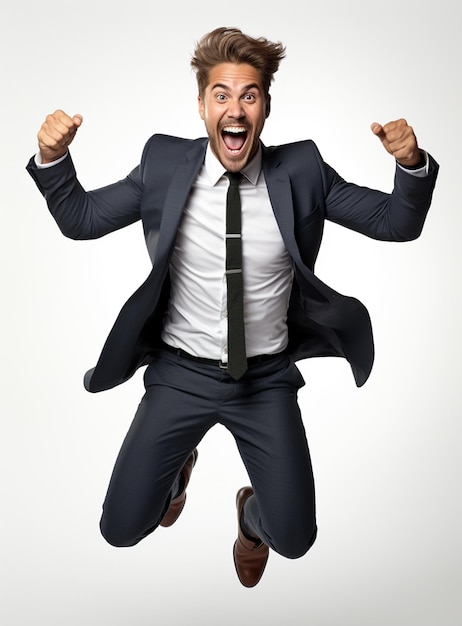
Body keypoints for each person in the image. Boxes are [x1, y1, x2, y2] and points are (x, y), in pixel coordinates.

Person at [26, 27, 439, 588]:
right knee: (120, 529)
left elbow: (397, 223)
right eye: (221, 94)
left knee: (294, 538)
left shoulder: (303, 170)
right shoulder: (164, 163)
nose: (235, 108)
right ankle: (175, 477)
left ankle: (250, 516)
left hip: (264, 380)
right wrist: (53, 160)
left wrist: (410, 163)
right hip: (179, 375)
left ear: (265, 105)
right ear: (201, 105)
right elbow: (83, 220)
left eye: (249, 94)